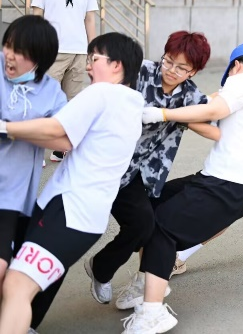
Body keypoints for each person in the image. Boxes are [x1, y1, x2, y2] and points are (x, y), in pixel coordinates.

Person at [122, 43, 243, 333]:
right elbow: (205, 106)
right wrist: (173, 107)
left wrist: (163, 114)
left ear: (236, 66)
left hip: (228, 184)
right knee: (150, 207)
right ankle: (146, 282)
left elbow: (214, 108)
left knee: (161, 227)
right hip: (222, 180)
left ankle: (153, 311)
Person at [0, 32, 144, 334]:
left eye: (94, 59)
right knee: (24, 286)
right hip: (83, 218)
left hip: (68, 211)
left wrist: (7, 127)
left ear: (116, 65)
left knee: (16, 285)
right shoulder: (132, 104)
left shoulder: (101, 93)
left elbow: (57, 130)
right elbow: (64, 140)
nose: (88, 66)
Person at [81, 31, 218, 311]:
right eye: (168, 61)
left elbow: (214, 119)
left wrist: (179, 116)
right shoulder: (139, 71)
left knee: (144, 225)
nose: (172, 70)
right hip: (107, 161)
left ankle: (102, 268)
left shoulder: (190, 95)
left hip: (143, 173)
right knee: (81, 225)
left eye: (182, 68)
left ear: (193, 71)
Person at [0, 16, 67, 302]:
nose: (9, 55)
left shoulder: (51, 93)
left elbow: (64, 140)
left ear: (39, 58)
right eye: (7, 45)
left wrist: (12, 129)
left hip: (10, 194)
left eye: (20, 52)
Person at [31, 0, 99, 162]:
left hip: (79, 52)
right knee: (44, 102)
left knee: (72, 104)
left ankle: (60, 149)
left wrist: (92, 50)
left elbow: (89, 19)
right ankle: (36, 152)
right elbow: (37, 16)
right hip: (52, 51)